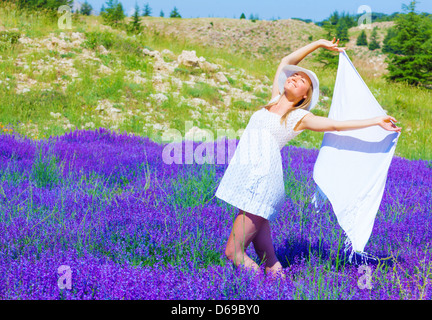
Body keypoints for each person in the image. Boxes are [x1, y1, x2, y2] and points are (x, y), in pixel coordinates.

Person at [215, 38, 401, 277]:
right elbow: (286, 62)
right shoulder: (271, 102)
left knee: (234, 252)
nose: (294, 77)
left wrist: (375, 120)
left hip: (260, 183)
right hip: (248, 179)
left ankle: (257, 290)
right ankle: (280, 287)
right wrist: (319, 44)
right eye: (294, 76)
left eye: (302, 80)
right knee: (268, 259)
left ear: (305, 96)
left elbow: (336, 125)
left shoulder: (299, 117)